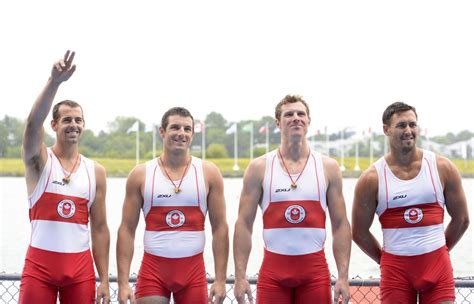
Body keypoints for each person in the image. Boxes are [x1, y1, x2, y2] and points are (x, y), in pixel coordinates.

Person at [233, 95, 351, 304]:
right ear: (278, 123)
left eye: (301, 114)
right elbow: (244, 224)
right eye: (289, 114)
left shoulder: (328, 167)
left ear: (308, 121)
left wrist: (342, 276)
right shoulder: (259, 167)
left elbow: (340, 224)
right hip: (273, 274)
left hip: (315, 274)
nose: (296, 118)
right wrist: (240, 276)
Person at [352, 101, 470, 303]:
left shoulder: (442, 167)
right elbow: (358, 232)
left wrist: (439, 251)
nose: (408, 130)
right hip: (395, 273)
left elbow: (462, 219)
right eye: (401, 125)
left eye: (412, 124)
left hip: (437, 269)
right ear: (386, 130)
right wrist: (387, 261)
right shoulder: (372, 178)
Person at [19, 51, 110, 303]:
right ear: (54, 125)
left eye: (78, 120)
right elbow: (31, 124)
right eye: (67, 120)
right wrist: (54, 82)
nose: (74, 125)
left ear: (84, 125)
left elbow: (100, 229)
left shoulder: (96, 172)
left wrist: (103, 279)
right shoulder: (39, 162)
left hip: (80, 272)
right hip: (40, 270)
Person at [116, 107, 229, 304]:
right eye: (175, 127)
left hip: (193, 274)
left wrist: (220, 279)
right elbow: (127, 229)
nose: (181, 133)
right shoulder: (141, 174)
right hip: (153, 272)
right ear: (162, 132)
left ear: (193, 134)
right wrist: (123, 282)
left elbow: (220, 228)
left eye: (187, 129)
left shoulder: (209, 173)